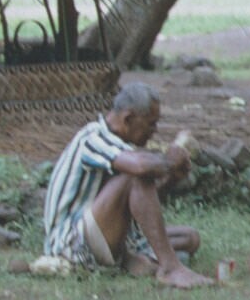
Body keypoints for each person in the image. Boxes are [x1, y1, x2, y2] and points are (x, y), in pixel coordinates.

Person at [41, 82, 212, 288]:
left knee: (190, 238)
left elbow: (138, 203)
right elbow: (139, 169)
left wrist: (171, 178)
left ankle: (132, 260)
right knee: (135, 175)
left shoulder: (121, 146)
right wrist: (168, 161)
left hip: (105, 235)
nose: (154, 131)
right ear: (128, 119)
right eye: (151, 124)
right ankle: (170, 268)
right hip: (71, 244)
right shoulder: (92, 138)